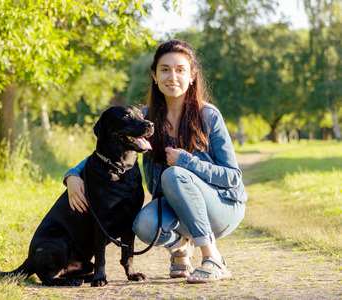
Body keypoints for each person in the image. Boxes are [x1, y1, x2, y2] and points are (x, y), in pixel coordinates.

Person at [64, 39, 247, 283]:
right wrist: (73, 174)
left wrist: (187, 162)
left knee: (174, 174)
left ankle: (212, 258)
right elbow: (109, 146)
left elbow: (233, 177)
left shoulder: (208, 116)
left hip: (222, 206)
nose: (173, 76)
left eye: (180, 70)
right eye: (165, 69)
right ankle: (181, 248)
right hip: (177, 206)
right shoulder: (146, 118)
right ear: (154, 74)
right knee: (143, 225)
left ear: (192, 76)